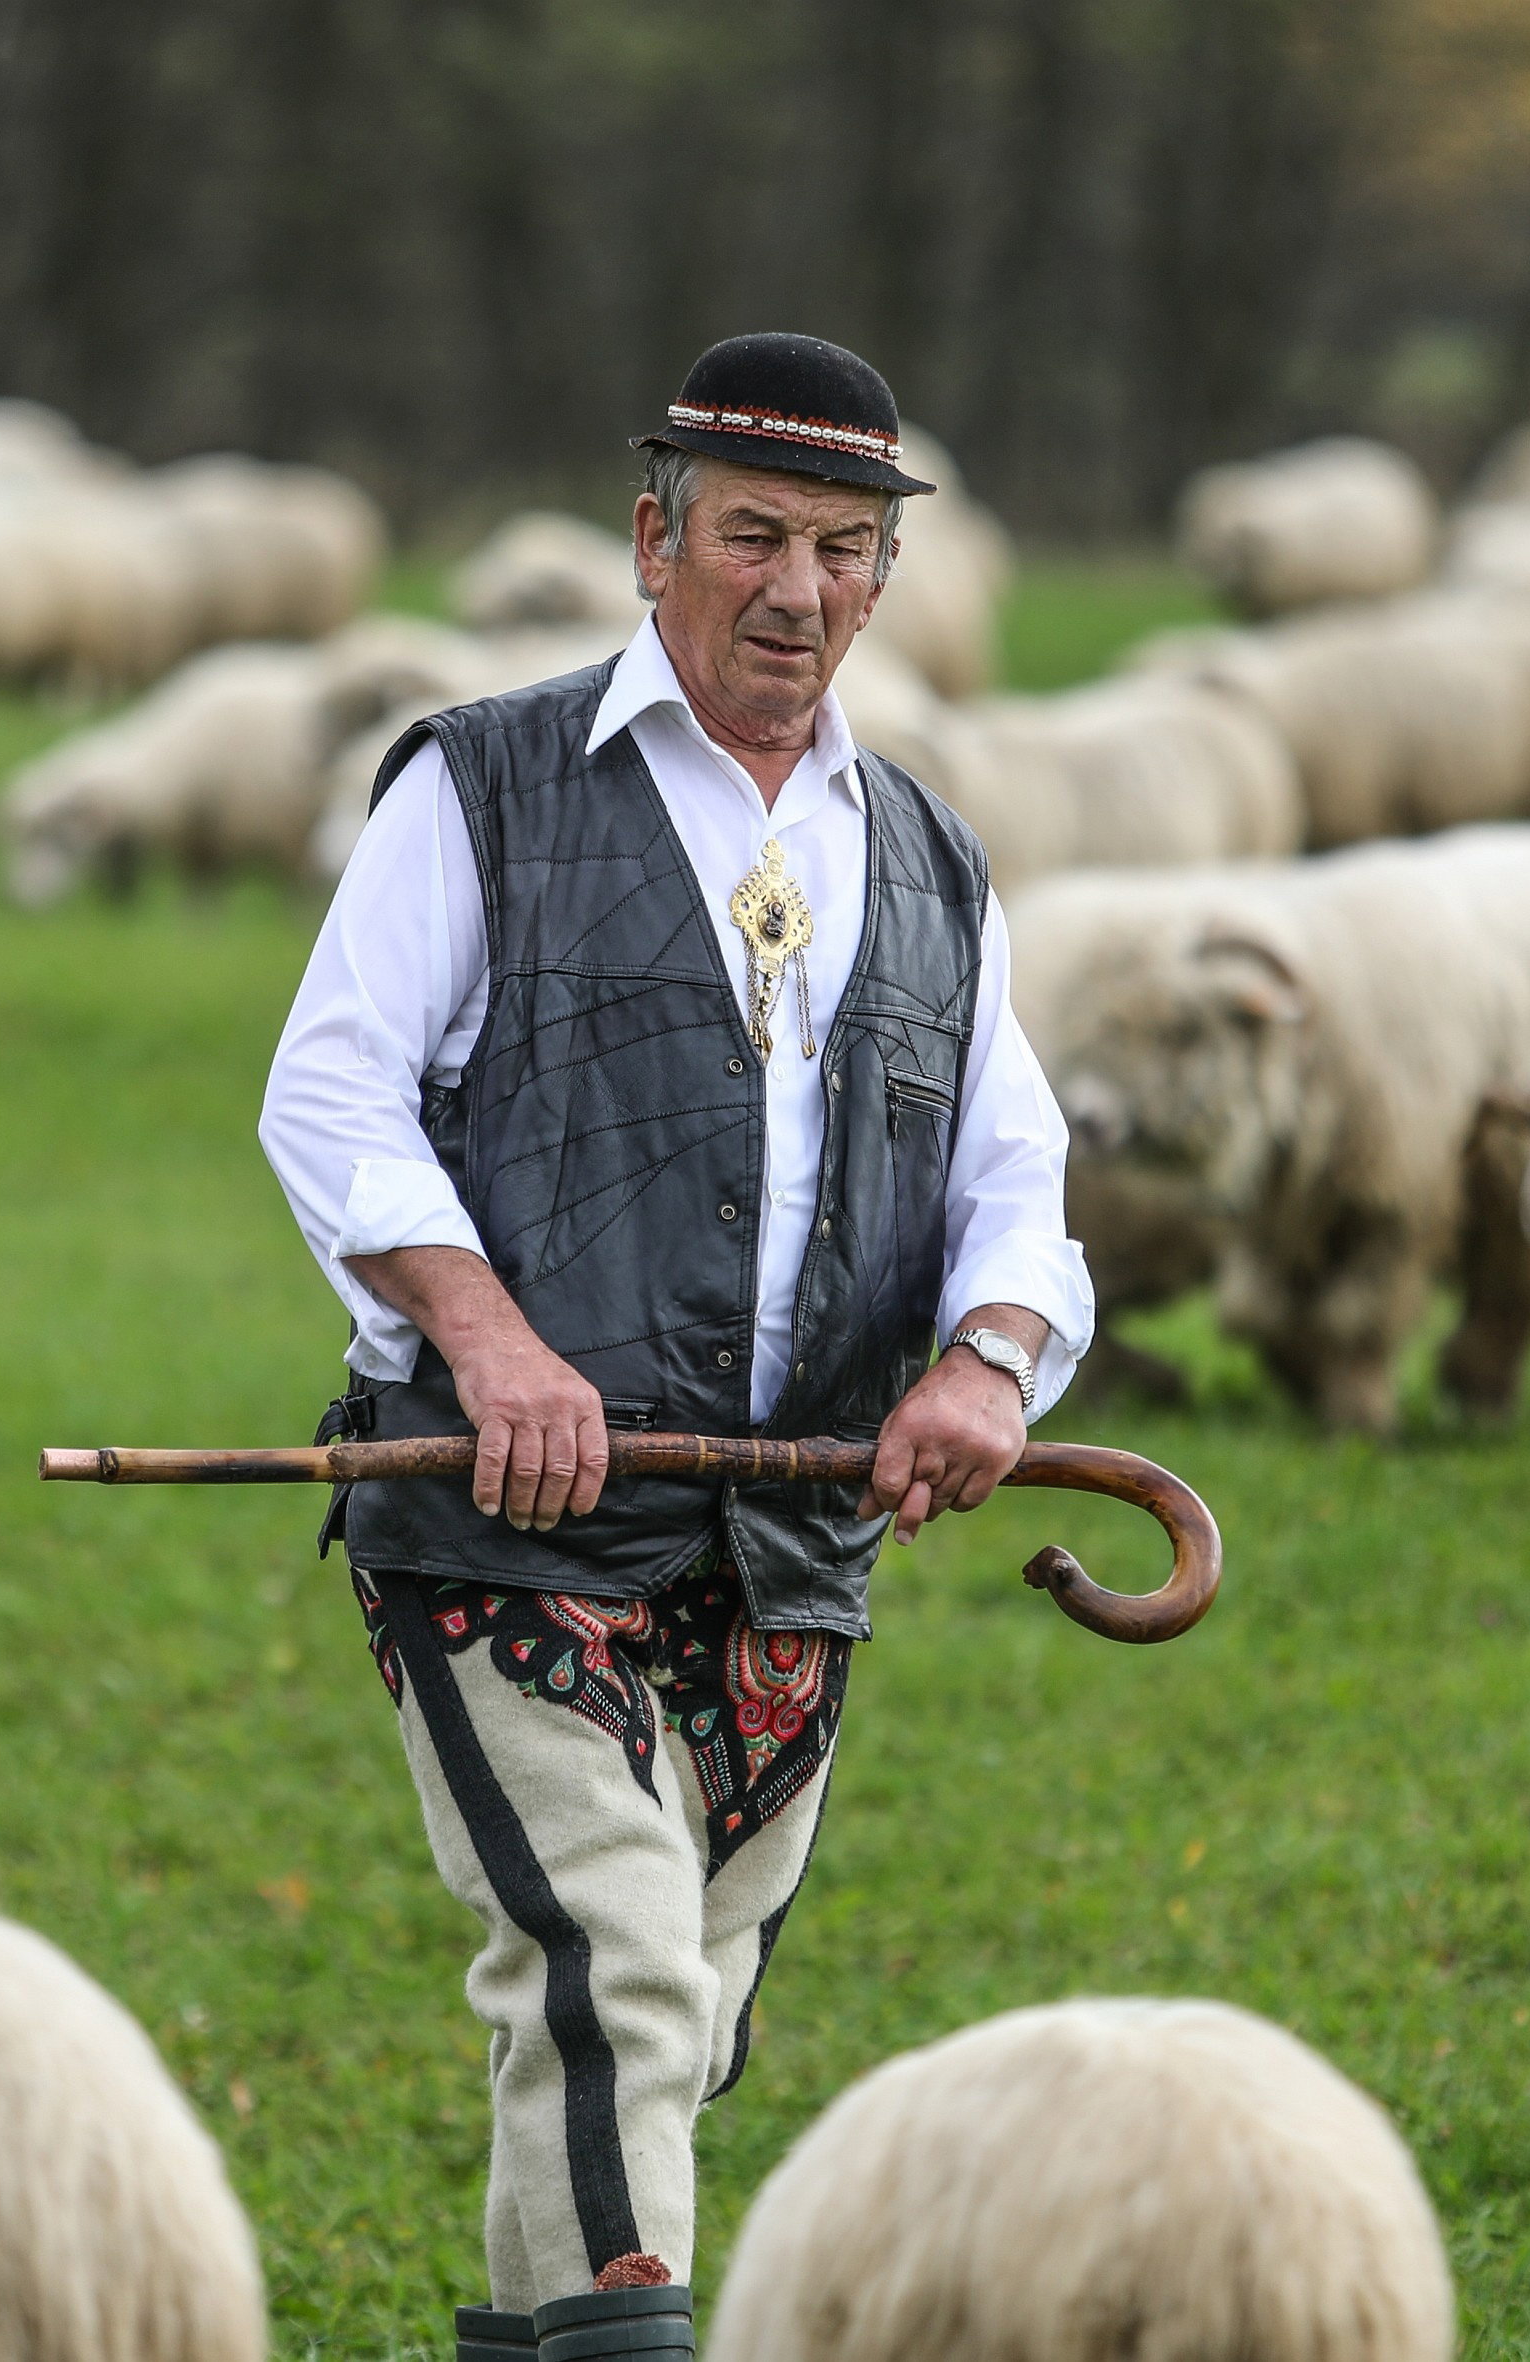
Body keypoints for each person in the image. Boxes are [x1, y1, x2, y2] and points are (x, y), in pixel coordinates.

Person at [260, 332, 1092, 2362]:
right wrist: (487, 1341)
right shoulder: (482, 785)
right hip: (506, 1519)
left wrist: (986, 1359)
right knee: (616, 1978)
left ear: (884, 576)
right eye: (750, 537)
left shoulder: (928, 853)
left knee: (664, 2024)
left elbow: (1012, 1168)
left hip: (792, 1549)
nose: (795, 589)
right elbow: (332, 1090)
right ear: (654, 541)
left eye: (839, 547)